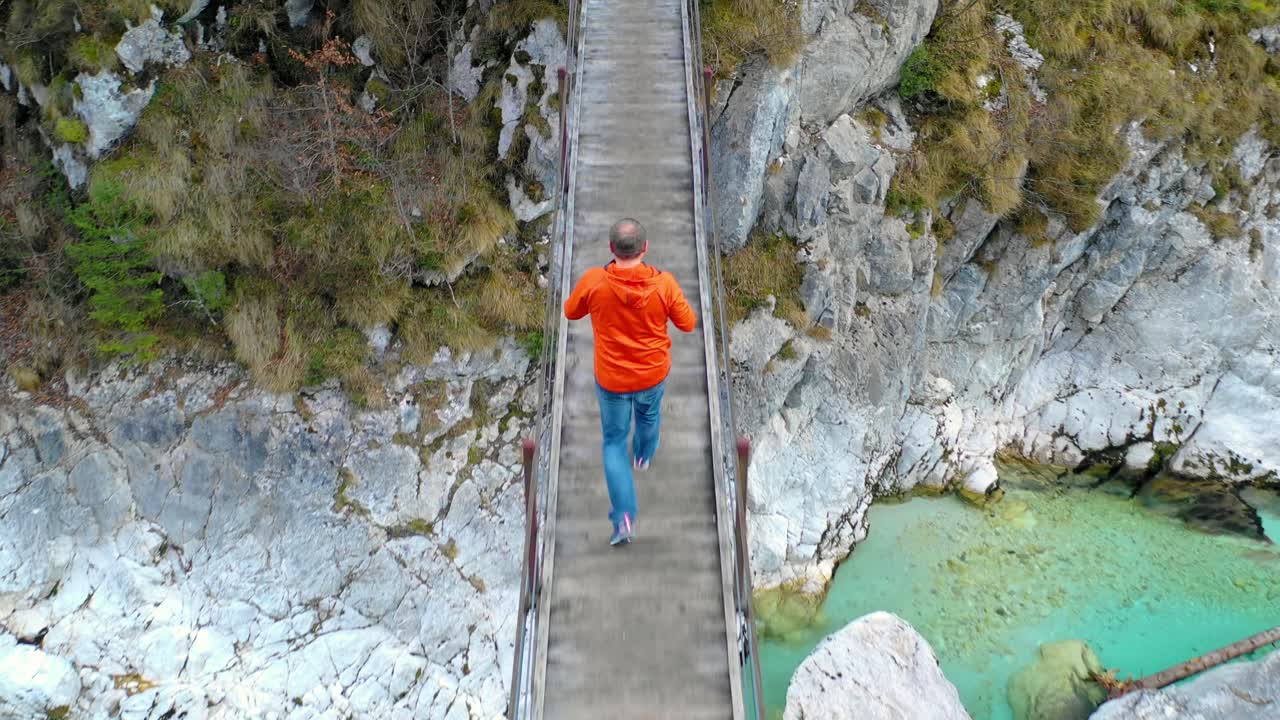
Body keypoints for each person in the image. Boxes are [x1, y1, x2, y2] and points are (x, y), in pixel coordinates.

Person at [563, 218, 697, 546]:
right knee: (649, 416)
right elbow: (689, 324)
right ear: (645, 248)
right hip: (652, 373)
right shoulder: (664, 285)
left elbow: (570, 311)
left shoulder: (595, 281)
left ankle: (624, 515)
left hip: (612, 378)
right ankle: (643, 456)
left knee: (612, 441)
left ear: (611, 249)